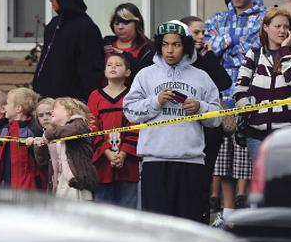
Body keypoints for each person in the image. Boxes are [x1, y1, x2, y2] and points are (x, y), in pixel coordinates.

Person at [124, 20, 222, 224]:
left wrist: (200, 108)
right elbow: (130, 111)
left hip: (191, 163)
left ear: (185, 45)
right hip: (155, 162)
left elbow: (217, 117)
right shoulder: (145, 75)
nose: (170, 50)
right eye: (165, 44)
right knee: (157, 227)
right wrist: (156, 101)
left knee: (190, 224)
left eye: (176, 44)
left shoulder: (202, 77)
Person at [205, 0, 267, 215]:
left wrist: (225, 42)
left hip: (250, 94)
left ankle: (252, 213)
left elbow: (255, 51)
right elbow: (209, 49)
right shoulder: (218, 18)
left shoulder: (266, 18)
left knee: (248, 161)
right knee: (223, 161)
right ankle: (226, 214)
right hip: (221, 96)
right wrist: (232, 41)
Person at [234, 7, 291, 161]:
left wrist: (285, 50)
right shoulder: (254, 54)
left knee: (287, 180)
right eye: (277, 26)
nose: (282, 30)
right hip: (257, 135)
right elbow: (240, 89)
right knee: (262, 181)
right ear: (266, 27)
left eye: (286, 26)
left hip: (289, 134)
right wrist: (249, 112)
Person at [180, 16, 232, 215]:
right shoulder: (179, 63)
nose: (201, 37)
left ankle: (201, 215)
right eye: (196, 32)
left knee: (204, 179)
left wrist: (208, 56)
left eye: (204, 33)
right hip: (185, 130)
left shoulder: (205, 58)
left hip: (209, 131)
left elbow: (224, 82)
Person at [32, 0, 105, 102]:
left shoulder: (86, 28)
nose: (50, 1)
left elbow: (91, 69)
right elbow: (46, 58)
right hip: (47, 97)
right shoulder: (54, 24)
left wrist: (86, 99)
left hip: (73, 100)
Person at [88, 53, 140, 208]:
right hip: (102, 164)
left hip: (128, 163)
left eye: (118, 65)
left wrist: (123, 153)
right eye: (109, 65)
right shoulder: (95, 96)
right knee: (103, 212)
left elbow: (136, 125)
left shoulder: (133, 95)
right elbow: (92, 128)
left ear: (128, 72)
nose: (113, 67)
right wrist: (107, 152)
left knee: (127, 212)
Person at [29, 97, 97, 201]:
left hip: (77, 182)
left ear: (68, 111)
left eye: (55, 108)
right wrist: (39, 144)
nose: (52, 111)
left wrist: (47, 135)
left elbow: (75, 129)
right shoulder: (52, 133)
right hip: (59, 182)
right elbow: (42, 162)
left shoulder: (79, 124)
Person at [0, 87, 45, 190]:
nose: (4, 107)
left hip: (29, 186)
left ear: (18, 109)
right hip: (7, 183)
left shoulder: (34, 130)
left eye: (7, 103)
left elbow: (43, 158)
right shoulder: (6, 129)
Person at [103, 3, 154, 81]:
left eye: (125, 23)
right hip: (102, 91)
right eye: (116, 23)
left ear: (137, 24)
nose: (120, 27)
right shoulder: (104, 44)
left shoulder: (149, 49)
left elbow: (147, 77)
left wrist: (125, 57)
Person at [34, 97, 55, 191]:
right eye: (41, 115)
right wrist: (39, 147)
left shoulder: (65, 131)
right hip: (51, 180)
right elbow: (42, 163)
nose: (45, 118)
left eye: (49, 114)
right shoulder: (41, 135)